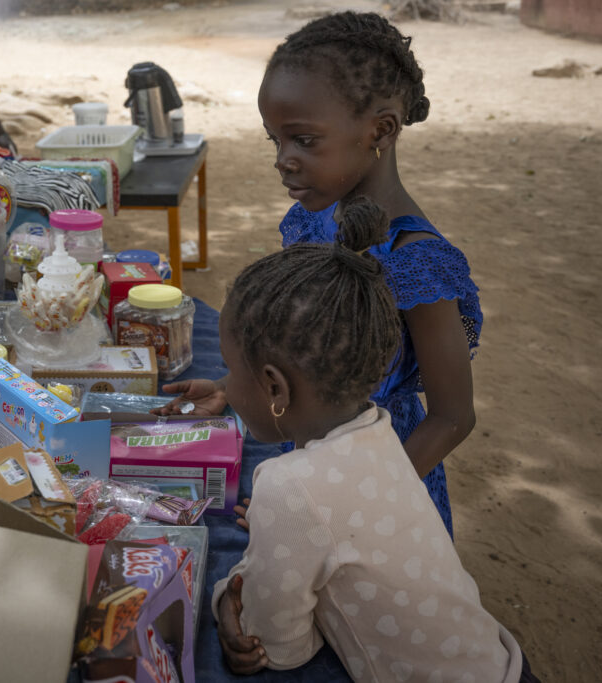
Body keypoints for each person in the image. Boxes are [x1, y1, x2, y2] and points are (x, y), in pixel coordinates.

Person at [157, 12, 481, 536]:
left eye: (304, 140)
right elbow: (302, 347)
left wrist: (345, 506)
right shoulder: (314, 219)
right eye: (275, 141)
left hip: (379, 490)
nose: (283, 160)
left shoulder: (418, 262)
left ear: (380, 130)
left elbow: (453, 416)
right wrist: (231, 390)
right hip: (306, 459)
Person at [212, 196, 538, 682]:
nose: (226, 384)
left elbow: (280, 648)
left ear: (275, 388)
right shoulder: (379, 434)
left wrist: (226, 599)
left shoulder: (288, 486)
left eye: (230, 369)